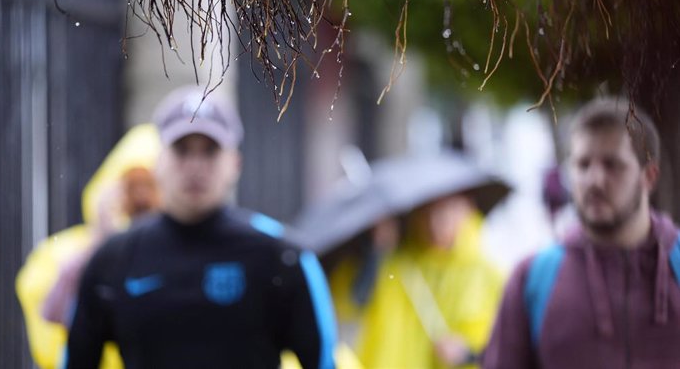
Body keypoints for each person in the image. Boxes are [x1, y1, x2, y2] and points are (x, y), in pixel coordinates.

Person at [64, 86, 337, 369]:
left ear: (235, 163)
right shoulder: (113, 259)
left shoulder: (282, 257)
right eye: (182, 150)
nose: (195, 166)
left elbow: (322, 362)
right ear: (158, 161)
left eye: (210, 150)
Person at [483, 97, 680, 369]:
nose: (594, 180)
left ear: (649, 176)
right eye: (583, 165)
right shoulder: (533, 280)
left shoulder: (675, 266)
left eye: (612, 164)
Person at [16, 123, 162, 369]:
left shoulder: (184, 251)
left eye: (151, 187)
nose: (141, 199)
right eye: (132, 187)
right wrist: (104, 243)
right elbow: (48, 321)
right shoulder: (66, 252)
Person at [356, 192, 505, 368]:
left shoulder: (489, 275)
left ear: (468, 207)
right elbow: (353, 303)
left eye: (446, 211)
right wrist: (374, 253)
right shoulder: (396, 264)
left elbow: (506, 347)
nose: (435, 224)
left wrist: (468, 353)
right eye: (428, 212)